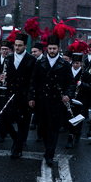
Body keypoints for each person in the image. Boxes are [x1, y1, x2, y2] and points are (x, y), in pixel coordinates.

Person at [29, 34, 74, 166]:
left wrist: (68, 94)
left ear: (58, 48)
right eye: (50, 48)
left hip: (56, 102)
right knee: (42, 128)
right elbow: (33, 82)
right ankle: (47, 148)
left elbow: (71, 83)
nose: (52, 51)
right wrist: (31, 97)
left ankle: (50, 154)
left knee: (53, 129)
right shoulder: (39, 63)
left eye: (54, 48)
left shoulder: (64, 64)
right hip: (42, 101)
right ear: (46, 49)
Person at [0, 33, 36, 158]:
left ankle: (18, 148)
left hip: (24, 96)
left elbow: (33, 80)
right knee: (4, 120)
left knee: (23, 123)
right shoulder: (8, 58)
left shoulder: (32, 60)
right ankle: (17, 139)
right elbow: (5, 75)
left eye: (20, 46)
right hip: (10, 94)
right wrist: (3, 78)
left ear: (25, 46)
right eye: (15, 45)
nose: (17, 48)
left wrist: (31, 97)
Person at [0, 40, 13, 143]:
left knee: (4, 112)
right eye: (2, 49)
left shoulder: (12, 60)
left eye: (6, 49)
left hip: (7, 90)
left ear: (10, 50)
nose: (4, 51)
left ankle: (2, 133)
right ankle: (5, 129)